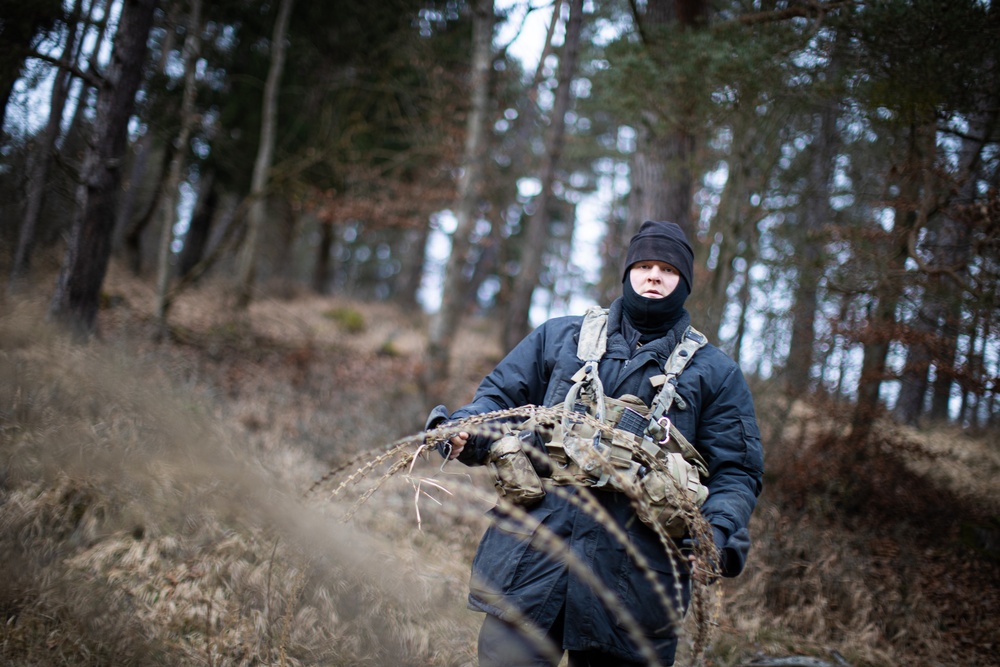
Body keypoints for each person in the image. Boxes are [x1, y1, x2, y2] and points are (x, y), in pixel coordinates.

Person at [426, 220, 764, 666]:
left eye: (667, 269)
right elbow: (498, 399)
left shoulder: (716, 373)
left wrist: (715, 535)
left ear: (684, 282)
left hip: (636, 591)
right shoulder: (559, 337)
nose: (654, 276)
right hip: (532, 562)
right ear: (627, 274)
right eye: (644, 265)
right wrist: (466, 430)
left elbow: (737, 470)